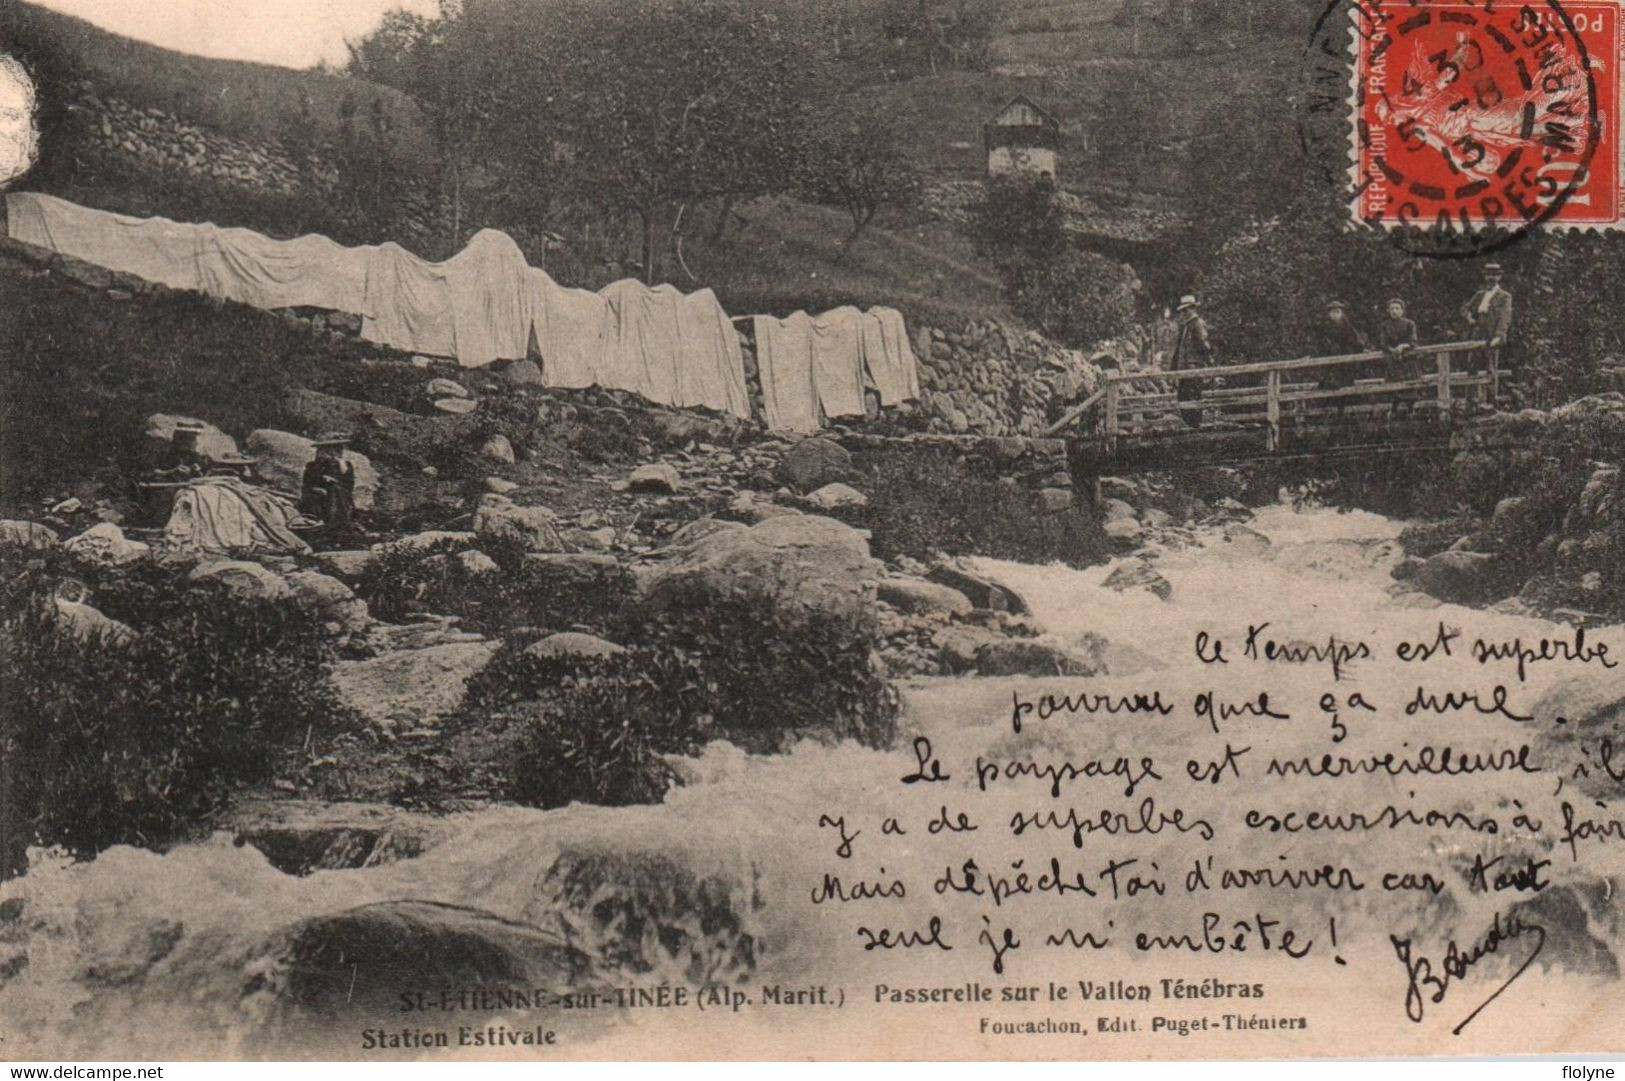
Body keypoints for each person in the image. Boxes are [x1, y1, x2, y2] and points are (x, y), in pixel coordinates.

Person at [299, 433, 356, 540]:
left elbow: (349, 484)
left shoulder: (346, 465)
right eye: (332, 448)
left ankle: (339, 528)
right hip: (317, 496)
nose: (338, 451)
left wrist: (338, 473)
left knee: (336, 492)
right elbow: (308, 484)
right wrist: (322, 482)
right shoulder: (313, 465)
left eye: (339, 448)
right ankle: (332, 528)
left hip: (339, 496)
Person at [1460, 262, 1513, 373]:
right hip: (1477, 333)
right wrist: (1470, 318)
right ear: (1485, 277)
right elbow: (1464, 309)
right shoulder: (1480, 295)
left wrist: (1499, 335)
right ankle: (1472, 389)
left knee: (1491, 368)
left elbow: (1505, 317)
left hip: (1491, 334)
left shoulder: (1504, 296)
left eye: (1494, 275)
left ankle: (1491, 390)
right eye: (1489, 275)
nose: (1491, 278)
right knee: (1472, 366)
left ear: (1499, 277)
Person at [1168, 295, 1213, 427]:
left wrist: (1203, 364)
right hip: (1185, 369)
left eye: (1185, 310)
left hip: (1193, 368)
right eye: (1182, 311)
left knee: (1192, 397)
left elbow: (1204, 346)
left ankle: (1195, 426)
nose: (1183, 314)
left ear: (1192, 309)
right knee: (1183, 398)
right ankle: (1191, 425)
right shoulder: (1187, 326)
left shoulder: (1197, 324)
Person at [1377, 298, 1421, 378]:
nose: (1394, 311)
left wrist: (1402, 346)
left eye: (1397, 308)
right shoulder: (1385, 326)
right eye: (1392, 309)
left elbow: (1413, 342)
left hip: (1409, 361)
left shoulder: (1409, 324)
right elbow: (1383, 344)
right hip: (1393, 362)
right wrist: (1393, 351)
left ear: (1402, 310)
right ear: (1388, 311)